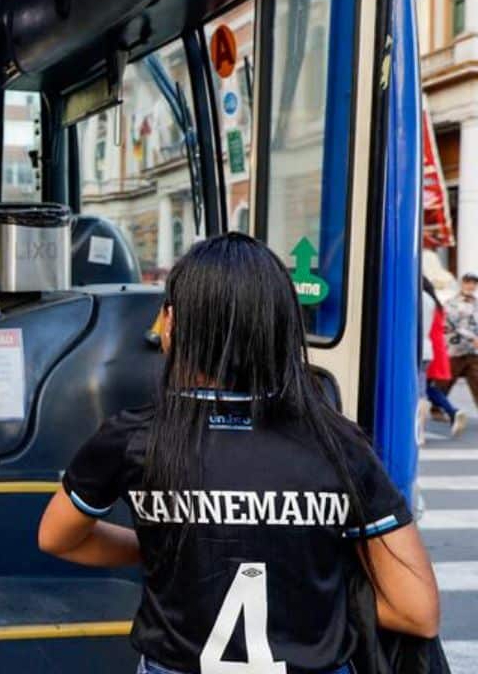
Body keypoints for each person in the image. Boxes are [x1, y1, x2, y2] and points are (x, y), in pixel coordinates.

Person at [37, 233, 439, 674]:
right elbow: (416, 612)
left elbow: (57, 538)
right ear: (282, 327)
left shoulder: (131, 437)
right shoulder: (338, 445)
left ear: (172, 323)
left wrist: (166, 542)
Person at [423, 277, 464, 438]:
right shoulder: (437, 305)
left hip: (427, 347)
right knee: (428, 387)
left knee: (423, 388)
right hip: (437, 350)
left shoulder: (424, 302)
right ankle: (452, 411)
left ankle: (451, 411)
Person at [442, 272, 478, 407]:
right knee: (445, 381)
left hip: (473, 352)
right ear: (461, 284)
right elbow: (450, 325)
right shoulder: (452, 304)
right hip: (455, 350)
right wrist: (471, 338)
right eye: (468, 282)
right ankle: (436, 407)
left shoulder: (476, 303)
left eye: (474, 283)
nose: (471, 286)